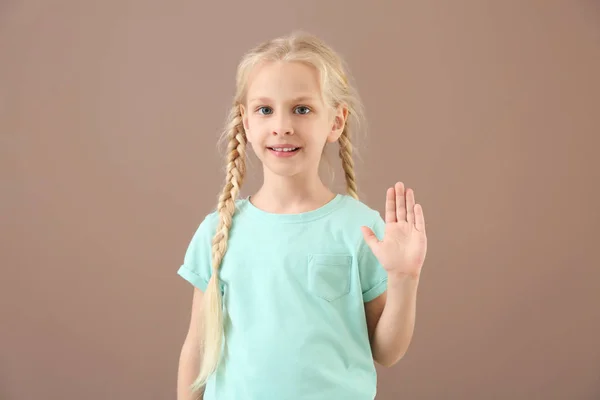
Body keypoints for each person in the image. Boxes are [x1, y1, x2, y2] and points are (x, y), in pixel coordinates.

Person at [176, 31, 428, 400]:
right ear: (246, 122)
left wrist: (404, 278)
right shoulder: (219, 231)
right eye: (265, 110)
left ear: (336, 122)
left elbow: (386, 352)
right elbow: (196, 350)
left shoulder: (362, 230)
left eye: (302, 109)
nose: (282, 126)